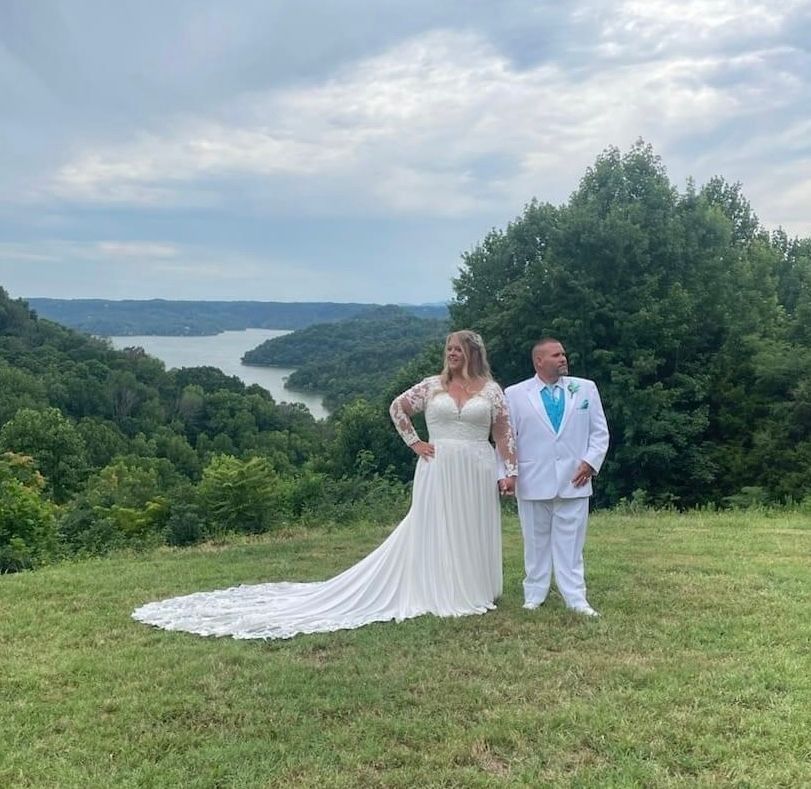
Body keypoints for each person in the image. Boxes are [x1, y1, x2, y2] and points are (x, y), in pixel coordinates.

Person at [132, 330, 517, 640]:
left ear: (474, 353)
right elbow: (397, 407)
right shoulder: (431, 386)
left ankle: (473, 587)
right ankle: (439, 587)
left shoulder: (492, 391)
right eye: (449, 347)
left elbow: (503, 433)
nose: (452, 353)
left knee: (470, 527)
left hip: (478, 466)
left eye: (459, 348)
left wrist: (509, 471)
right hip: (438, 465)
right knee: (435, 526)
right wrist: (414, 442)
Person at [500, 338, 609, 617]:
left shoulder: (585, 388)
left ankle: (576, 598)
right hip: (532, 478)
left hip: (576, 478)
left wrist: (590, 462)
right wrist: (507, 474)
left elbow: (599, 432)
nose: (563, 358)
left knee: (571, 544)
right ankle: (534, 594)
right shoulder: (514, 393)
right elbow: (506, 437)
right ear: (539, 361)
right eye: (556, 354)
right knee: (535, 542)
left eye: (563, 353)